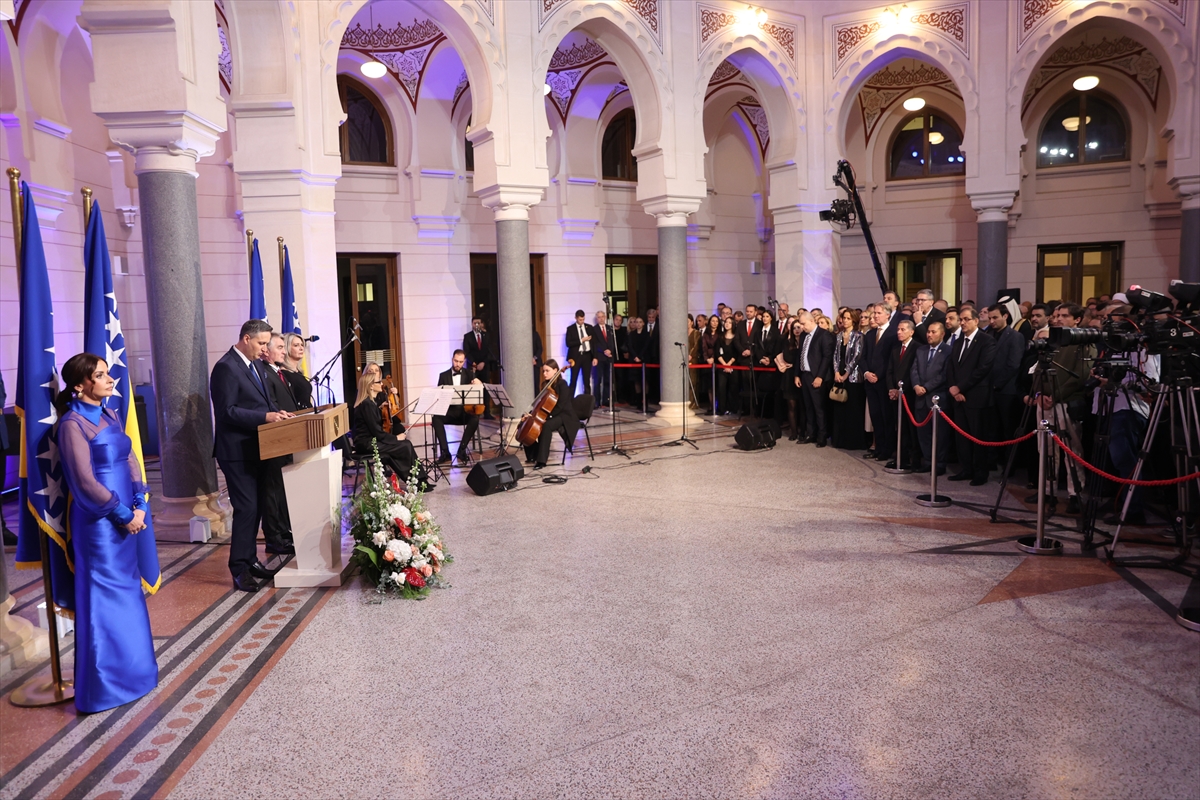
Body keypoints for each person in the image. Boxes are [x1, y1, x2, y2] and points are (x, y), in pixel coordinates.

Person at [55, 353, 158, 712]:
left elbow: (129, 459)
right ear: (79, 384)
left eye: (107, 373)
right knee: (103, 597)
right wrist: (122, 513)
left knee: (128, 593)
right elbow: (83, 482)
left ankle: (137, 674)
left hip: (128, 516)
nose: (109, 379)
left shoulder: (111, 414)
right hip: (98, 526)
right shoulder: (71, 425)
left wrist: (140, 500)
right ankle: (105, 687)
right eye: (100, 375)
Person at [211, 319, 295, 593]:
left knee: (257, 507)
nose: (264, 349)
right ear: (246, 339)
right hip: (237, 452)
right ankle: (239, 568)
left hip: (260, 447)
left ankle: (250, 560)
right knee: (246, 508)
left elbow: (265, 402)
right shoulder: (226, 367)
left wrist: (277, 413)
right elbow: (227, 411)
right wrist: (265, 417)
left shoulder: (256, 365)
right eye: (261, 343)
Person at [947, 307, 997, 486]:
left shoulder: (986, 341)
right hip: (958, 396)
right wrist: (953, 388)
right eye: (961, 319)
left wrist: (960, 387)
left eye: (966, 319)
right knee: (962, 436)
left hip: (977, 397)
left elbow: (983, 369)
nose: (963, 323)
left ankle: (980, 472)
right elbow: (951, 366)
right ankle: (966, 468)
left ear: (976, 321)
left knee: (978, 436)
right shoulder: (958, 341)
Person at [352, 370, 424, 486]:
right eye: (379, 382)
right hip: (367, 444)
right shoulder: (367, 404)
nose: (382, 384)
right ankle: (415, 481)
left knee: (406, 444)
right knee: (404, 445)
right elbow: (377, 432)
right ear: (371, 386)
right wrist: (396, 438)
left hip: (371, 441)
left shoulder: (370, 403)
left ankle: (419, 480)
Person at [259, 333, 296, 552]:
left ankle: (284, 530)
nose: (284, 351)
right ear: (267, 351)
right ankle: (274, 537)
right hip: (274, 439)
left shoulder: (278, 372)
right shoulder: (264, 373)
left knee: (282, 490)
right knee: (272, 491)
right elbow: (271, 406)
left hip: (287, 437)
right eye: (280, 347)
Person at [986, 303, 1026, 469]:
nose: (991, 321)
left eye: (995, 317)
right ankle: (992, 462)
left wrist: (996, 384)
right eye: (989, 318)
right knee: (991, 428)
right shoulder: (988, 334)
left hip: (1007, 390)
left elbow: (1013, 364)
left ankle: (1009, 466)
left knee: (1008, 429)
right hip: (989, 390)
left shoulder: (1015, 336)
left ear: (1005, 316)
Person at [910, 320, 952, 473]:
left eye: (933, 332)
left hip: (937, 398)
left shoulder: (948, 351)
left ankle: (939, 464)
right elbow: (914, 369)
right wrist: (916, 385)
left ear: (942, 334)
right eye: (928, 331)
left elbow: (944, 375)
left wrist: (926, 387)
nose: (929, 334)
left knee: (940, 434)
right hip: (921, 399)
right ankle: (928, 461)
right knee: (924, 434)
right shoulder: (921, 350)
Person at [522, 360, 579, 468]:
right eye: (543, 371)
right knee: (527, 423)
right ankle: (532, 455)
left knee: (546, 425)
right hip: (551, 413)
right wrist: (531, 414)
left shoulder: (562, 384)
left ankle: (541, 461)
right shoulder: (546, 385)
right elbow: (540, 405)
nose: (544, 374)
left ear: (555, 370)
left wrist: (546, 417)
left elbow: (561, 405)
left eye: (547, 371)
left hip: (564, 415)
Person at [432, 350, 483, 465]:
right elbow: (439, 396)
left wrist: (477, 383)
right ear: (452, 360)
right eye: (456, 361)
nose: (458, 364)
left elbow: (480, 387)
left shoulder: (469, 374)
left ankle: (462, 450)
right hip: (450, 411)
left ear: (464, 362)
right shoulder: (443, 375)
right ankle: (445, 452)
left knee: (475, 419)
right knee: (436, 418)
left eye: (460, 362)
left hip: (464, 411)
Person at [862, 303, 897, 462]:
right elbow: (862, 357)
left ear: (888, 315)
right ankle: (878, 447)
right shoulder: (870, 334)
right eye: (874, 313)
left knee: (886, 417)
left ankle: (887, 450)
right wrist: (867, 373)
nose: (875, 316)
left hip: (884, 382)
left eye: (878, 313)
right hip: (870, 382)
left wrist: (878, 375)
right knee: (875, 416)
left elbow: (891, 360)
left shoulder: (893, 333)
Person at [885, 319, 921, 470]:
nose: (899, 332)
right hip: (895, 395)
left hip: (909, 395)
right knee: (899, 427)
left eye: (903, 329)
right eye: (898, 329)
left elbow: (914, 372)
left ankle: (915, 459)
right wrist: (891, 389)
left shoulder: (917, 348)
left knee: (911, 429)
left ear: (911, 332)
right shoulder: (895, 348)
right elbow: (889, 371)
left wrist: (901, 389)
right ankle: (901, 457)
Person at [794, 311, 833, 447]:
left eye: (803, 324)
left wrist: (820, 376)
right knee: (808, 407)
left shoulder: (824, 335)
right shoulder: (804, 335)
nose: (801, 327)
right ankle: (811, 434)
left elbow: (827, 358)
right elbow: (800, 355)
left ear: (811, 321)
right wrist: (797, 374)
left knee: (819, 408)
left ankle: (822, 436)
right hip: (805, 375)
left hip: (817, 375)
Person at [831, 307, 866, 450]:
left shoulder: (858, 336)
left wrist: (846, 373)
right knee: (839, 408)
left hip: (853, 377)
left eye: (848, 318)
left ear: (854, 320)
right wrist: (836, 372)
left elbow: (857, 356)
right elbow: (835, 355)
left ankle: (853, 442)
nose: (845, 321)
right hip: (839, 375)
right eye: (844, 318)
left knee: (853, 409)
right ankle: (839, 440)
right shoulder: (838, 336)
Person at [775, 318, 805, 439]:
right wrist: (793, 363)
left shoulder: (806, 342)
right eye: (794, 328)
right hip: (789, 377)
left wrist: (794, 363)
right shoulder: (788, 342)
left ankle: (803, 432)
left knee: (803, 406)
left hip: (802, 375)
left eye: (799, 327)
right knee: (791, 406)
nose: (797, 330)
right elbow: (787, 357)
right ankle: (793, 432)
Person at [565, 309, 595, 396]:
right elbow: (568, 343)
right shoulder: (570, 329)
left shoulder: (589, 327)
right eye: (580, 320)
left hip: (587, 356)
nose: (582, 321)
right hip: (576, 356)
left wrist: (595, 357)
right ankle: (570, 400)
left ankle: (587, 400)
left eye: (583, 319)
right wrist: (582, 340)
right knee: (573, 379)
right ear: (576, 318)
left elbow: (594, 343)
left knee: (586, 380)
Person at [281, 332, 313, 409]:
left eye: (302, 345)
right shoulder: (283, 373)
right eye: (296, 345)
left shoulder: (298, 372)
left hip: (308, 412)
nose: (301, 348)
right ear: (287, 348)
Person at [714, 316, 739, 415]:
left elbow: (736, 353)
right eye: (726, 322)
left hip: (733, 366)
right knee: (721, 387)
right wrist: (725, 365)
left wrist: (729, 364)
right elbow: (717, 352)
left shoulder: (736, 337)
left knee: (733, 387)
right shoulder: (720, 337)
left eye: (729, 322)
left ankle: (732, 408)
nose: (727, 324)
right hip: (722, 366)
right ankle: (721, 409)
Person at [593, 310, 615, 407]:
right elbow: (595, 344)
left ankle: (606, 400)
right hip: (599, 357)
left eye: (602, 317)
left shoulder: (610, 328)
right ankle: (597, 401)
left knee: (608, 380)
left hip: (609, 358)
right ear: (596, 319)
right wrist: (604, 351)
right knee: (597, 380)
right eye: (599, 317)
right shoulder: (594, 329)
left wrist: (610, 350)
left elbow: (612, 342)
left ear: (605, 317)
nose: (601, 319)